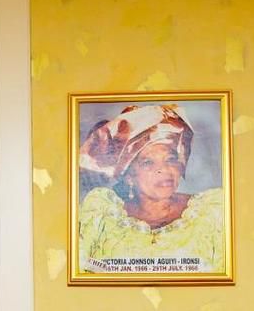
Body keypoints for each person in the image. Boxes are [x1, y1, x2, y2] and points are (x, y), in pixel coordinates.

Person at [78, 104, 224, 270]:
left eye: (170, 159)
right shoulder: (102, 216)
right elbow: (83, 272)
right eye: (148, 162)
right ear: (128, 177)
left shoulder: (211, 212)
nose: (164, 170)